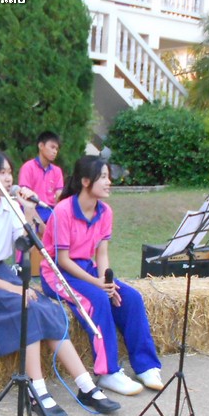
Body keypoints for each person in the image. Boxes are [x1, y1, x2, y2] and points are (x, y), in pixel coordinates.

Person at [0, 151, 120, 416]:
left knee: (48, 308)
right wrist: (14, 289)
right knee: (26, 309)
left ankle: (86, 385)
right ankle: (36, 391)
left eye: (10, 172)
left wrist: (28, 210)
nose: (8, 179)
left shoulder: (9, 208)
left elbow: (27, 246)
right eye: (1, 173)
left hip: (2, 274)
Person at [40, 155, 163, 396]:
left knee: (131, 298)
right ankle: (108, 372)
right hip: (57, 274)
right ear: (86, 181)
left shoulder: (105, 212)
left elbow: (102, 253)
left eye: (108, 177)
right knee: (97, 300)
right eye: (103, 177)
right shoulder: (63, 211)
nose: (109, 182)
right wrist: (97, 285)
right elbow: (62, 260)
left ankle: (146, 365)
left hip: (87, 268)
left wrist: (107, 283)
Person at [17, 131, 65, 226]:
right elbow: (25, 196)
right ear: (41, 146)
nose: (55, 152)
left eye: (56, 149)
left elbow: (59, 196)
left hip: (50, 210)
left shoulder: (57, 171)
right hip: (31, 208)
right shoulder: (28, 167)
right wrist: (42, 225)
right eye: (52, 147)